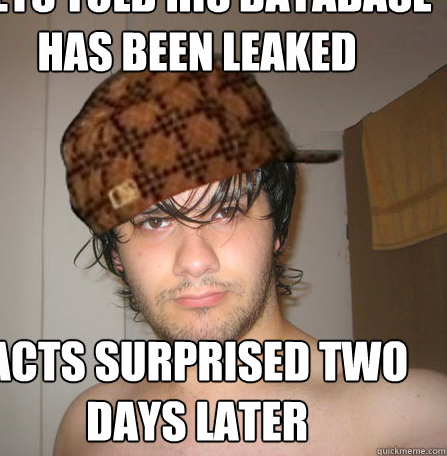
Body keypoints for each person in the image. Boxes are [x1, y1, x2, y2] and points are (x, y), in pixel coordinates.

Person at [54, 59, 447, 455]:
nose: (196, 261)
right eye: (155, 222)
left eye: (226, 211)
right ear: (117, 254)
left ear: (277, 230)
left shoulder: (411, 421)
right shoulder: (85, 427)